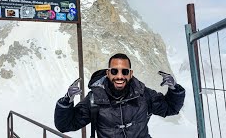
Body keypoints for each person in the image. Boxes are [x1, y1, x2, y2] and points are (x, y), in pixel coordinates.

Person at [54, 53, 185, 138]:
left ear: (131, 73)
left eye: (125, 71)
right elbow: (65, 125)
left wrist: (174, 89)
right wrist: (66, 101)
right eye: (115, 71)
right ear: (108, 73)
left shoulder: (144, 94)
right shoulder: (95, 98)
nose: (120, 76)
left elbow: (170, 108)